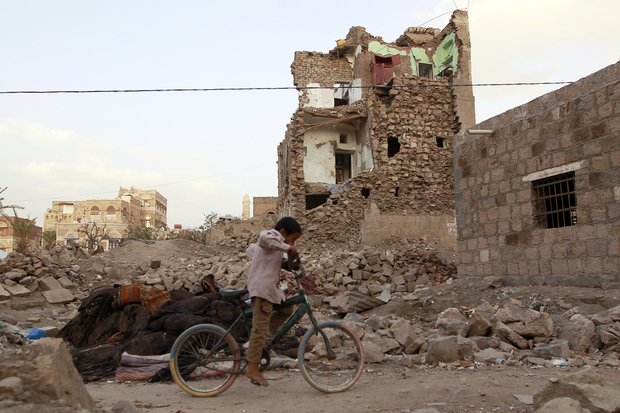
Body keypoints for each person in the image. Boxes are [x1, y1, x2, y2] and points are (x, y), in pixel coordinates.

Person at [244, 216, 302, 387]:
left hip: (270, 291)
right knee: (259, 330)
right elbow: (264, 238)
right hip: (262, 291)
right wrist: (288, 248)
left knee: (286, 309)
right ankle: (252, 368)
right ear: (282, 232)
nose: (293, 243)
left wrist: (287, 263)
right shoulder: (271, 237)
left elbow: (251, 251)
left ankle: (265, 337)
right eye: (293, 239)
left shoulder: (273, 247)